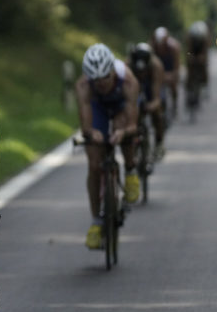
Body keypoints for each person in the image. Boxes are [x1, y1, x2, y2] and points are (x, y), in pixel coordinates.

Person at [74, 43, 141, 250]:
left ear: (113, 70)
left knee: (125, 133)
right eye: (97, 81)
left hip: (121, 106)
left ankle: (130, 170)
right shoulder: (84, 86)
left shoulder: (128, 80)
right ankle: (96, 221)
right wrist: (92, 133)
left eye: (106, 78)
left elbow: (132, 124)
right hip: (98, 108)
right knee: (94, 165)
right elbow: (86, 123)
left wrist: (123, 133)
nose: (101, 84)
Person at [129, 42, 166, 159]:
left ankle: (159, 142)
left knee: (157, 113)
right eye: (139, 71)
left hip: (151, 85)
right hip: (135, 86)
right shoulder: (128, 65)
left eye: (143, 71)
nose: (141, 73)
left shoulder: (156, 66)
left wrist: (151, 107)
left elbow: (156, 98)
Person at [151, 27, 181, 119]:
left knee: (173, 84)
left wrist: (173, 75)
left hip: (169, 66)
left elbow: (176, 65)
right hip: (158, 67)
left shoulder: (174, 48)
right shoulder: (152, 47)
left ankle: (174, 104)